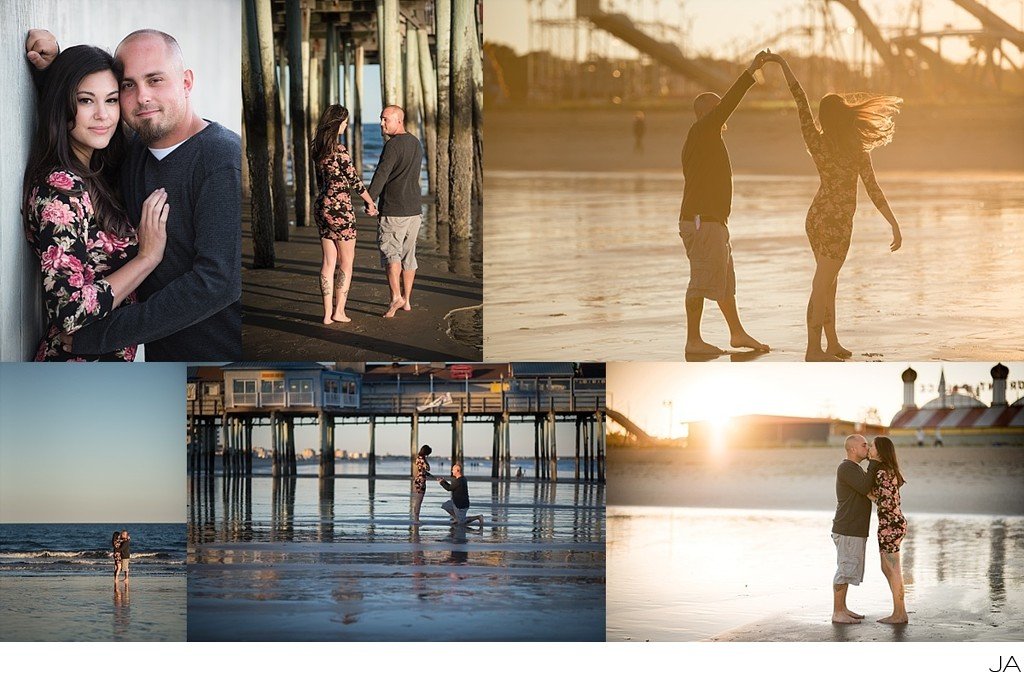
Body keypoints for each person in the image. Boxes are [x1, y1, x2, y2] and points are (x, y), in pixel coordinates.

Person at [27, 28, 242, 361]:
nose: (142, 97)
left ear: (186, 81)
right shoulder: (130, 155)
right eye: (128, 86)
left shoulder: (221, 158)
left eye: (155, 80)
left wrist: (103, 334)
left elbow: (218, 282)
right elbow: (84, 119)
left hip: (218, 357)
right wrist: (53, 68)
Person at [21, 44, 169, 361]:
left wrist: (52, 60)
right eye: (86, 100)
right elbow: (69, 310)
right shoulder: (62, 187)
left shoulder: (96, 171)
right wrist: (146, 258)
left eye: (112, 100)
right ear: (62, 104)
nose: (103, 115)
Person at [764, 52, 902, 361]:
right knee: (823, 282)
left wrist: (783, 64)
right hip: (837, 222)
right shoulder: (855, 149)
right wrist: (893, 222)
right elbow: (873, 190)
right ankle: (814, 349)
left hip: (816, 217)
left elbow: (800, 101)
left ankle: (832, 343)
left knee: (829, 283)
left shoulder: (817, 141)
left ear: (825, 118)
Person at [679, 51, 771, 357]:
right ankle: (693, 340)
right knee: (700, 280)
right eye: (718, 110)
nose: (723, 115)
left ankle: (737, 333)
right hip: (702, 221)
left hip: (711, 221)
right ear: (707, 113)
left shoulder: (704, 139)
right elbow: (729, 102)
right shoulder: (703, 130)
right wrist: (749, 72)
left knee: (723, 281)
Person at [310, 104, 377, 324]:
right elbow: (355, 181)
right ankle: (339, 311)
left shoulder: (318, 151)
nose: (347, 125)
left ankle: (327, 314)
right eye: (345, 121)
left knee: (328, 262)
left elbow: (321, 183)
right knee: (346, 263)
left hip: (321, 206)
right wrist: (371, 203)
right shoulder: (340, 151)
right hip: (340, 208)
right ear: (337, 122)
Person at [367, 105, 423, 318]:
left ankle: (396, 298)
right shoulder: (416, 143)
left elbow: (381, 175)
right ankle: (407, 301)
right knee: (409, 257)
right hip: (414, 211)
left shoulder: (392, 145)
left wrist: (370, 200)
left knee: (392, 255)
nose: (381, 123)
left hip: (394, 211)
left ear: (399, 121)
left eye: (385, 119)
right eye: (381, 119)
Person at [830, 434, 879, 624]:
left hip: (854, 529)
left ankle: (843, 608)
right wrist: (873, 462)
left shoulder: (855, 469)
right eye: (864, 445)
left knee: (848, 568)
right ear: (852, 449)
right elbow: (866, 486)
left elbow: (868, 489)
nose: (867, 448)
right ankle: (837, 612)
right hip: (847, 528)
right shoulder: (846, 468)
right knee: (844, 570)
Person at [868, 436, 908, 624]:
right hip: (894, 523)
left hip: (890, 525)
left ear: (880, 451)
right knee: (889, 569)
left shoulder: (881, 472)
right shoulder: (889, 470)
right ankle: (900, 612)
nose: (869, 448)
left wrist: (868, 494)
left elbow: (885, 502)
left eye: (872, 446)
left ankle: (899, 614)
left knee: (892, 571)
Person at [411, 444, 433, 524]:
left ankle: (416, 518)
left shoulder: (417, 458)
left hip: (417, 480)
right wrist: (426, 461)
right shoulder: (422, 459)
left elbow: (421, 470)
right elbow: (428, 468)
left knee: (417, 500)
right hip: (421, 481)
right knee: (419, 500)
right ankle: (416, 519)